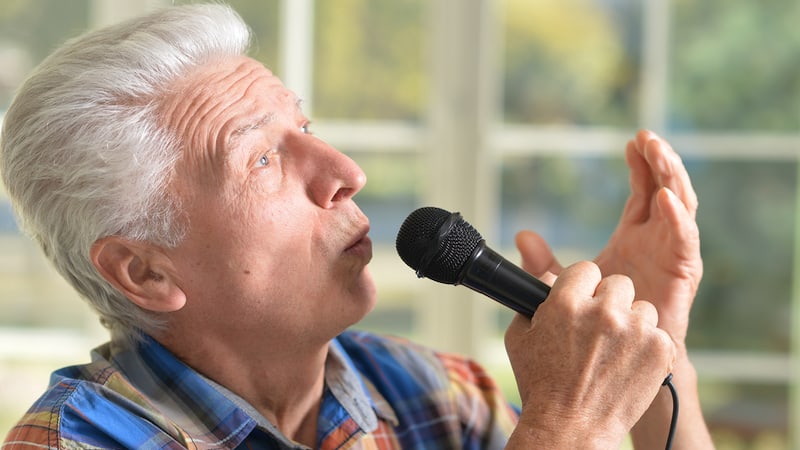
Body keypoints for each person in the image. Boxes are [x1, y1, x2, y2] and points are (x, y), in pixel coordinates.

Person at [0, 3, 713, 449]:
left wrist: (656, 350)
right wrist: (567, 427)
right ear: (146, 272)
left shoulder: (431, 394)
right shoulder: (74, 444)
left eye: (305, 125)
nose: (344, 169)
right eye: (261, 158)